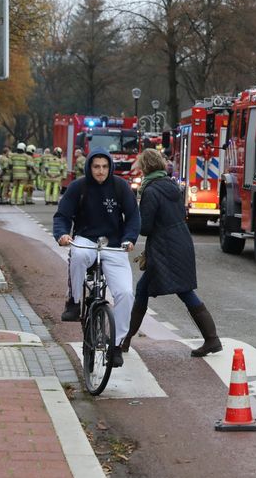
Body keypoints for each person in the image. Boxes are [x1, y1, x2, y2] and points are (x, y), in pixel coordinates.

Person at [121, 149, 221, 357]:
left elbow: (146, 227)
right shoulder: (171, 185)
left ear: (145, 167)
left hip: (163, 247)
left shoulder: (150, 191)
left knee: (181, 291)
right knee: (152, 289)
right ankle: (126, 339)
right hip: (180, 241)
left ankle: (125, 339)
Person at [53, 149, 140, 367]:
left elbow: (132, 217)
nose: (100, 171)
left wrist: (129, 239)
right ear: (89, 167)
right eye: (96, 167)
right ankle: (74, 301)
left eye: (104, 166)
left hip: (113, 244)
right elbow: (62, 215)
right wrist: (62, 234)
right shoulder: (78, 187)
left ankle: (117, 344)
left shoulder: (120, 187)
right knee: (78, 254)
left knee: (126, 294)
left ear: (109, 167)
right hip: (86, 239)